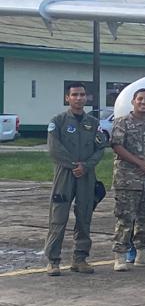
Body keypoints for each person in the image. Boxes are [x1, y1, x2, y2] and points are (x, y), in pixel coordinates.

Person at [43, 82, 107, 275]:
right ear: (67, 98)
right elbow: (54, 149)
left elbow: (100, 148)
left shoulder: (94, 123)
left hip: (86, 175)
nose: (79, 98)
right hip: (65, 174)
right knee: (58, 216)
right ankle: (53, 261)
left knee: (84, 215)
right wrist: (73, 165)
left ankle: (80, 258)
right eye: (75, 95)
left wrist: (85, 166)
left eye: (82, 95)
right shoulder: (58, 121)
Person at [110, 88, 145, 271]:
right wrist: (139, 163)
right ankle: (120, 256)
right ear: (133, 101)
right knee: (124, 219)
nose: (143, 102)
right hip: (127, 179)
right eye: (140, 99)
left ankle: (142, 254)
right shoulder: (122, 123)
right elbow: (117, 146)